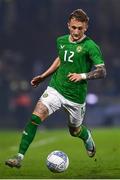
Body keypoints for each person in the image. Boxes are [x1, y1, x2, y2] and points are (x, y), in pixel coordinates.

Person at [5, 9, 106, 168]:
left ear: (86, 27)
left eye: (80, 28)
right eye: (73, 27)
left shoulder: (91, 46)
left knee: (75, 131)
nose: (76, 31)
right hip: (56, 89)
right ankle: (19, 157)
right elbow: (60, 58)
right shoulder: (61, 41)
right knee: (35, 117)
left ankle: (87, 137)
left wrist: (83, 76)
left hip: (76, 97)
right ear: (68, 25)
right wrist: (43, 76)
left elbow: (102, 71)